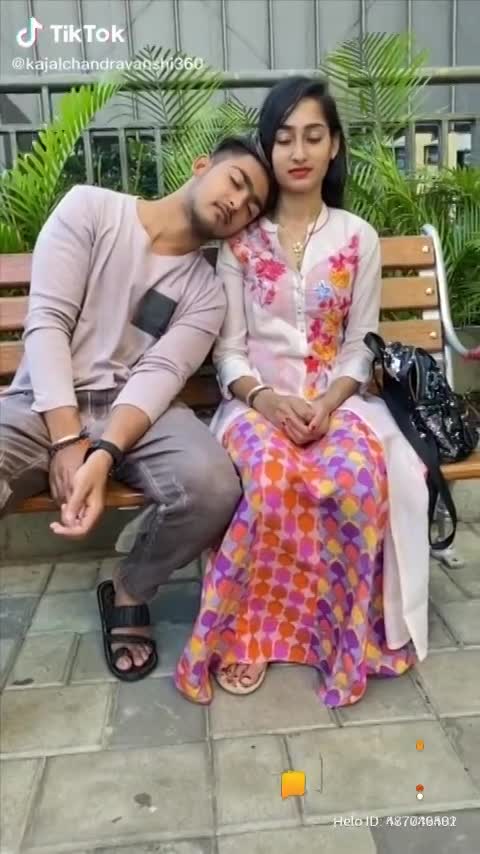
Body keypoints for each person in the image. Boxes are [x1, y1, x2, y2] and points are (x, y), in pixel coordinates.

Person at [175, 77, 430, 707]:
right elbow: (229, 351)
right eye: (284, 137)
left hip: (336, 401)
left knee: (356, 479)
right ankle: (247, 635)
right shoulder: (240, 243)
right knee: (266, 479)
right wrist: (266, 402)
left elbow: (360, 343)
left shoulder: (356, 237)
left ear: (334, 145)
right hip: (254, 405)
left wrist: (328, 402)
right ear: (267, 147)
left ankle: (336, 636)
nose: (298, 151)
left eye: (313, 136)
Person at [0, 135, 271, 681]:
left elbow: (159, 373)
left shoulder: (207, 291)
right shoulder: (90, 210)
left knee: (212, 486)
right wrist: (67, 439)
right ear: (202, 166)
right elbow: (48, 322)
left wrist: (100, 454)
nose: (237, 204)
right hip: (44, 399)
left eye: (251, 207)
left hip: (140, 413)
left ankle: (130, 587)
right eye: (236, 182)